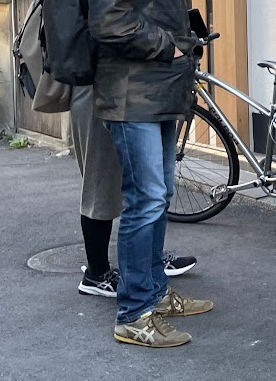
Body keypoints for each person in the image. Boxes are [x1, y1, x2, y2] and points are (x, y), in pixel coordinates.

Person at [87, 0, 212, 347]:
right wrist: (170, 45)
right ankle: (134, 314)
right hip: (131, 92)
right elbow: (108, 18)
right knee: (146, 200)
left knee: (156, 198)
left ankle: (154, 295)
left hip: (155, 89)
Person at [72, 83, 197, 298]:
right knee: (102, 184)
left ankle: (149, 263)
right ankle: (98, 274)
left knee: (149, 191)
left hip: (133, 93)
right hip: (101, 91)